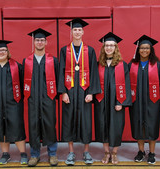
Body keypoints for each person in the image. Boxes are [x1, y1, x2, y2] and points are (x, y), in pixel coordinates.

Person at [58, 18, 101, 165]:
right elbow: (61, 72)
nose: (77, 32)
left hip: (85, 93)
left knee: (86, 122)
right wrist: (63, 92)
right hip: (69, 92)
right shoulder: (65, 50)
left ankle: (86, 152)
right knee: (68, 120)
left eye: (79, 30)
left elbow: (94, 72)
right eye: (74, 30)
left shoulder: (90, 51)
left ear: (83, 32)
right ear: (71, 32)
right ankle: (71, 153)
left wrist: (91, 93)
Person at [94, 32, 132, 165]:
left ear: (116, 48)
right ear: (103, 48)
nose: (109, 48)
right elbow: (94, 83)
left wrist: (121, 102)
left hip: (117, 102)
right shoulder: (99, 64)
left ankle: (114, 153)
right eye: (107, 45)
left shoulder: (122, 65)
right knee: (102, 125)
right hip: (102, 101)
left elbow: (126, 84)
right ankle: (106, 152)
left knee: (116, 126)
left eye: (111, 45)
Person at [24, 28, 59, 167]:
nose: (39, 42)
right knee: (33, 125)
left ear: (46, 42)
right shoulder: (27, 61)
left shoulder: (52, 60)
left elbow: (58, 78)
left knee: (50, 124)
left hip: (48, 98)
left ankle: (52, 154)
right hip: (33, 99)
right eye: (37, 40)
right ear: (34, 42)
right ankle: (34, 155)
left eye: (42, 40)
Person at [129, 35, 160, 165]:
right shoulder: (132, 65)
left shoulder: (158, 66)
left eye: (147, 48)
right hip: (136, 101)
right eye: (142, 48)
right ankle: (140, 152)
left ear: (151, 50)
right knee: (138, 125)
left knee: (152, 126)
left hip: (152, 102)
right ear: (138, 50)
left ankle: (151, 153)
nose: (144, 50)